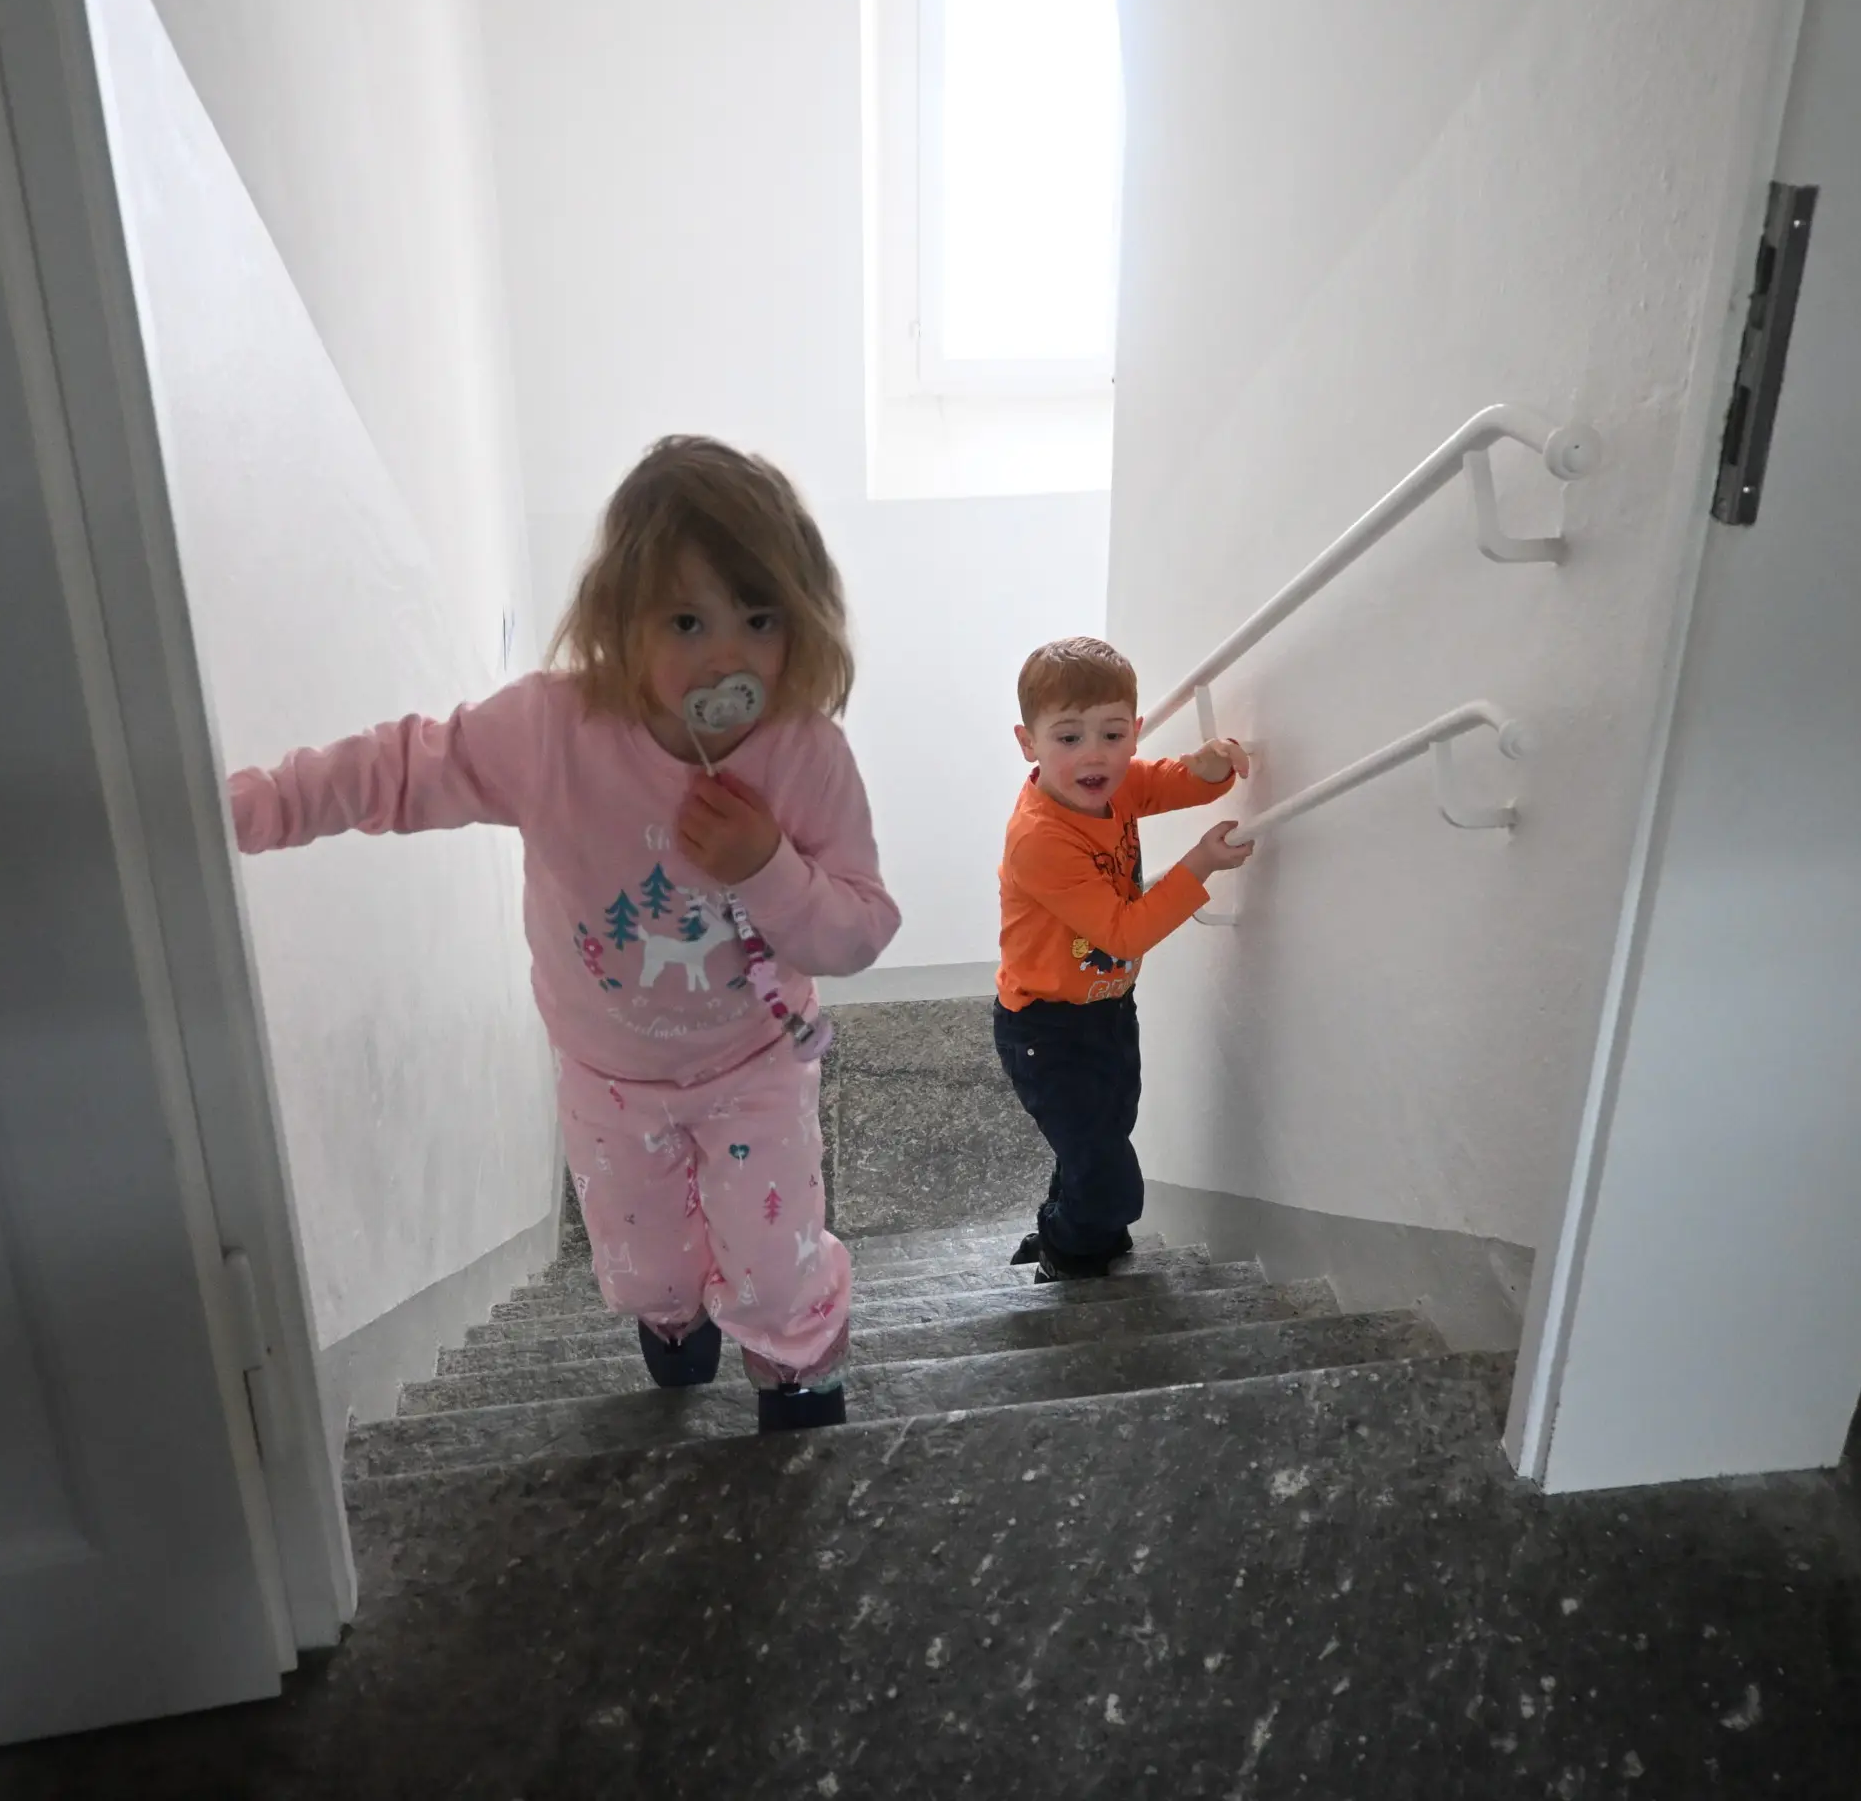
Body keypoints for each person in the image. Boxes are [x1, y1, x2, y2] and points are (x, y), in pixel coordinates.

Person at [227, 437, 897, 1430]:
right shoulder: (553, 730)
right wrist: (263, 805)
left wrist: (767, 864)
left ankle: (796, 1365)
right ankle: (673, 1322)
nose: (729, 656)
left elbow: (857, 929)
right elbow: (406, 768)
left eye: (759, 620)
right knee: (645, 1261)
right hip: (606, 1072)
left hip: (754, 1059)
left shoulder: (804, 753)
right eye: (686, 621)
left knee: (776, 1256)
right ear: (621, 625)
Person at [992, 638, 1253, 1280]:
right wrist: (1200, 865)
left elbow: (1162, 782)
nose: (1094, 754)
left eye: (1111, 734)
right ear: (1028, 743)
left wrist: (1209, 768)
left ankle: (1074, 1221)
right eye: (1069, 737)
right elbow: (1124, 934)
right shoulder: (1042, 838)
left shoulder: (1116, 785)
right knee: (1112, 1182)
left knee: (1104, 1134)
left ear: (1134, 732)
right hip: (1045, 1028)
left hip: (1107, 1007)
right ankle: (1065, 1249)